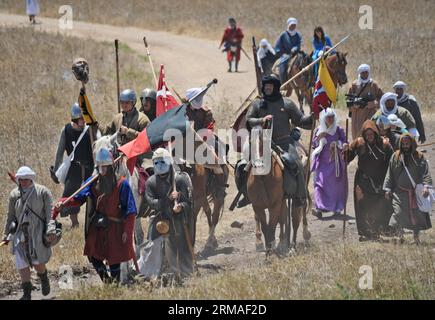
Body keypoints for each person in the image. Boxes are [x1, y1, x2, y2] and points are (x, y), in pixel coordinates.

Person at [54, 147, 137, 283]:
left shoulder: (122, 184)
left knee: (114, 258)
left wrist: (127, 231)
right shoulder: (92, 182)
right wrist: (64, 203)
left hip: (115, 226)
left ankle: (114, 287)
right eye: (100, 167)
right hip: (98, 225)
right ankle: (107, 281)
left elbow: (131, 210)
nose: (102, 170)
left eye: (105, 167)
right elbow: (78, 199)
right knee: (93, 255)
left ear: (111, 166)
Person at [245, 75, 313, 206]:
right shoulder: (257, 103)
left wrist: (312, 117)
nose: (268, 87)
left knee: (297, 164)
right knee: (243, 167)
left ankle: (300, 196)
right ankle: (245, 194)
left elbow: (300, 120)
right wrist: (262, 120)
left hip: (284, 143)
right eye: (266, 85)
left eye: (271, 85)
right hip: (261, 143)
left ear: (276, 87)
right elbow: (249, 120)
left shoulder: (287, 103)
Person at [139, 148, 195, 279]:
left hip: (177, 218)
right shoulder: (151, 182)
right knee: (152, 245)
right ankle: (151, 273)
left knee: (180, 246)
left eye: (162, 161)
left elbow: (189, 203)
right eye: (156, 162)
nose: (159, 165)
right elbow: (152, 202)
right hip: (160, 218)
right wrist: (168, 199)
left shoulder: (179, 179)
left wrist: (180, 205)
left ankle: (184, 273)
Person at [2, 166, 56, 300]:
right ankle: (27, 293)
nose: (23, 182)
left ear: (31, 178)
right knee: (21, 263)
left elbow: (50, 213)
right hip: (20, 233)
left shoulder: (43, 192)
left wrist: (50, 229)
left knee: (38, 262)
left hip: (37, 232)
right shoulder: (15, 194)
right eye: (21, 179)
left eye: (26, 179)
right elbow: (10, 216)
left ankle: (43, 277)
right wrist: (5, 234)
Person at [347, 120, 394, 241]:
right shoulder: (359, 142)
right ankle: (366, 232)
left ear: (375, 133)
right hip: (363, 180)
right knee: (362, 204)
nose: (369, 137)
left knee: (380, 205)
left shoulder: (384, 144)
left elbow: (393, 162)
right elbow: (347, 157)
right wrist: (346, 150)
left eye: (371, 134)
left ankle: (379, 229)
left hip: (380, 179)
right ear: (363, 135)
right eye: (367, 135)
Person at [50, 103, 94, 228]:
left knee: (92, 194)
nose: (83, 121)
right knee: (69, 195)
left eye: (84, 118)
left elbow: (96, 149)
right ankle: (74, 222)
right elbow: (60, 152)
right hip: (74, 168)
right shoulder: (66, 130)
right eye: (80, 119)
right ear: (75, 118)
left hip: (88, 168)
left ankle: (91, 222)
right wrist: (57, 171)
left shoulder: (89, 130)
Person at [383, 133, 433, 244]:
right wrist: (387, 189)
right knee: (399, 213)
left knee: (416, 216)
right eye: (403, 143)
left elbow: (425, 172)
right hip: (400, 192)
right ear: (400, 144)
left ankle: (416, 238)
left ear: (412, 143)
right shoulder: (395, 156)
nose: (405, 146)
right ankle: (400, 237)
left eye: (407, 143)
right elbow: (390, 174)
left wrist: (426, 186)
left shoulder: (419, 156)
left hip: (415, 192)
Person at [311, 108, 348, 218]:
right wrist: (319, 138)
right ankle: (319, 208)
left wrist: (336, 143)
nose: (330, 119)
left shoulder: (338, 129)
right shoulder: (319, 130)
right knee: (319, 184)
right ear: (323, 118)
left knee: (336, 186)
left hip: (335, 162)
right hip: (322, 161)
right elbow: (314, 144)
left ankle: (336, 208)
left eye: (332, 117)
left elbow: (345, 142)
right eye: (328, 117)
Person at [348, 63, 383, 139]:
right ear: (359, 73)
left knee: (370, 136)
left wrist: (374, 104)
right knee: (357, 138)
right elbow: (349, 102)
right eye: (362, 72)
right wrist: (354, 106)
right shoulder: (354, 85)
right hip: (357, 116)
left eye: (366, 72)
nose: (364, 74)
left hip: (370, 114)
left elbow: (382, 99)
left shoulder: (373, 85)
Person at [274, 17, 303, 83]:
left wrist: (295, 48)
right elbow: (277, 45)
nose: (293, 26)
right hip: (286, 54)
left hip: (296, 53)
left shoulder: (298, 34)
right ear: (288, 25)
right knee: (283, 65)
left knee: (306, 60)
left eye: (294, 25)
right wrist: (281, 52)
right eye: (291, 25)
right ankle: (283, 83)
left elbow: (299, 43)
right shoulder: (283, 35)